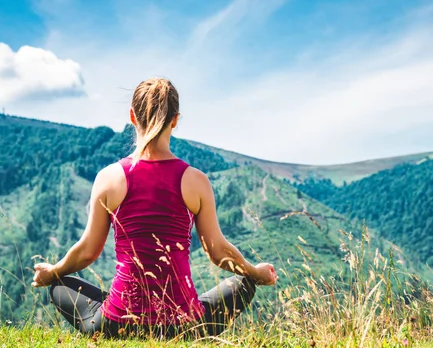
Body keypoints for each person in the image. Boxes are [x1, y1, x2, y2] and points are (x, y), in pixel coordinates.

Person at [31, 77, 278, 339]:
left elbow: (87, 253)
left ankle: (118, 307)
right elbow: (218, 252)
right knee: (244, 282)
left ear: (132, 116)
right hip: (184, 328)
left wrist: (53, 272)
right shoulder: (196, 181)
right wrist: (256, 272)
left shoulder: (109, 177)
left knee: (60, 286)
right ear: (175, 120)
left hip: (116, 326)